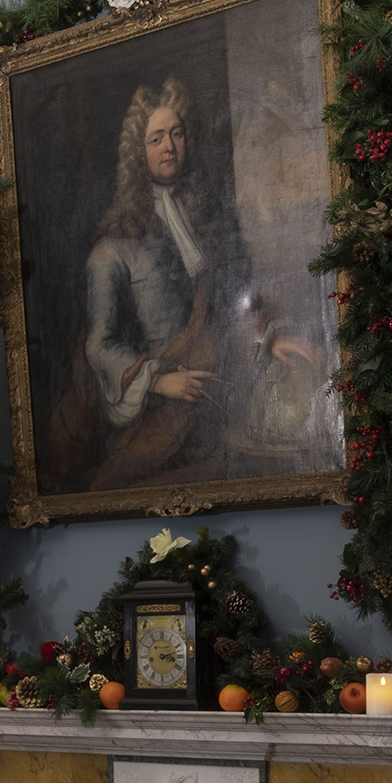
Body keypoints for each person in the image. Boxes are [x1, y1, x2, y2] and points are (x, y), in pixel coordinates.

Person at [57, 73, 320, 492]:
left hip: (218, 396)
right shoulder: (113, 249)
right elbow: (99, 345)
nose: (169, 146)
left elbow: (234, 299)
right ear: (137, 152)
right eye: (156, 138)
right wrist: (158, 381)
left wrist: (269, 338)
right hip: (157, 415)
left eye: (176, 134)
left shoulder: (208, 223)